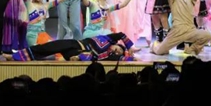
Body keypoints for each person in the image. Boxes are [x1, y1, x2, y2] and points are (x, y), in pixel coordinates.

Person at [7, 32, 136, 62]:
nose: (117, 51)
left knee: (91, 56)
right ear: (116, 44)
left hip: (81, 53)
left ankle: (78, 57)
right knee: (47, 48)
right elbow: (121, 34)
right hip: (75, 44)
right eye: (119, 48)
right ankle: (15, 56)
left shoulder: (107, 54)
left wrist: (132, 58)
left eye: (118, 52)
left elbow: (120, 59)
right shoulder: (109, 39)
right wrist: (129, 46)